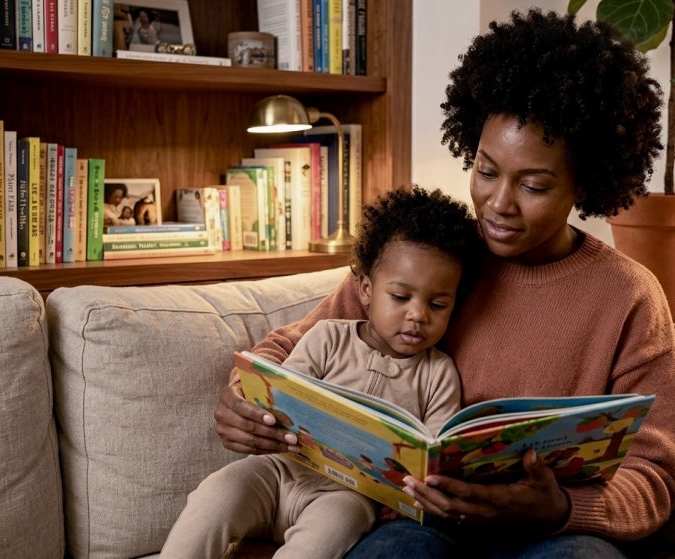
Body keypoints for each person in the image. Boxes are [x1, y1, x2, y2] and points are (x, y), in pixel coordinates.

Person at [212, 9, 675, 558]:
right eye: (486, 171)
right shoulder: (433, 258)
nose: (498, 204)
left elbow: (653, 477)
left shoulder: (626, 295)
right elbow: (289, 348)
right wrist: (246, 402)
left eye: (532, 185)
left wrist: (559, 508)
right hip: (418, 523)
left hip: (554, 535)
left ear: (586, 184)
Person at [160, 187, 483, 559]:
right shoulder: (328, 336)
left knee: (333, 529)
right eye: (399, 297)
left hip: (347, 496)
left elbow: (431, 456)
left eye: (438, 304)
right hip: (277, 470)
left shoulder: (439, 373)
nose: (418, 314)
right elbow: (286, 398)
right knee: (217, 493)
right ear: (365, 288)